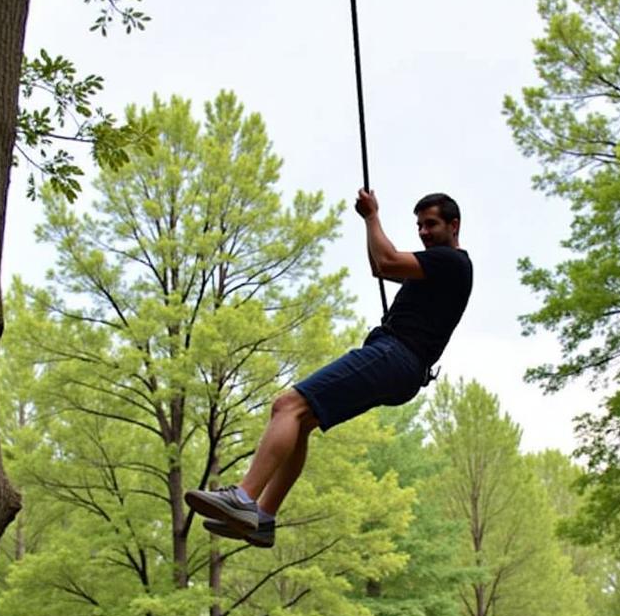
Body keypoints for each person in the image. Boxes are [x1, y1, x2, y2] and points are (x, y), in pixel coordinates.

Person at [185, 187, 473, 547]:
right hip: (404, 368)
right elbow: (378, 267)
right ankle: (264, 518)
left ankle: (243, 499)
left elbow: (386, 261)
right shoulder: (439, 270)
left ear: (454, 224)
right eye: (419, 225)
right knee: (302, 421)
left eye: (431, 224)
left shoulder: (452, 262)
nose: (424, 232)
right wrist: (371, 225)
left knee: (286, 406)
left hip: (396, 354)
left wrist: (372, 215)